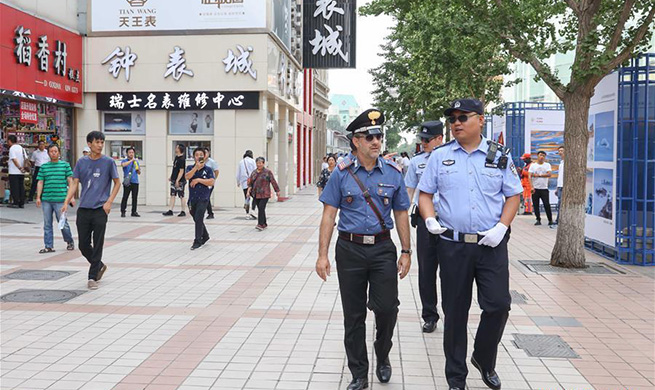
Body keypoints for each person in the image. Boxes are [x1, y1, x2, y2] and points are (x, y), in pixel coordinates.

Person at [417, 99, 522, 390]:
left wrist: (502, 226)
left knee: (499, 305)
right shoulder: (440, 156)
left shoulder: (499, 154)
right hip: (453, 245)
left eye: (463, 117)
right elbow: (425, 194)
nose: (456, 123)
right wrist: (429, 220)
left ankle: (484, 359)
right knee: (455, 313)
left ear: (481, 120)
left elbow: (513, 194)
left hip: (491, 244)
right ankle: (456, 378)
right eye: (452, 119)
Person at [316, 109, 411, 390]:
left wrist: (406, 251)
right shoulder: (341, 174)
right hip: (350, 249)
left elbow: (402, 214)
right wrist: (322, 255)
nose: (375, 141)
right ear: (355, 141)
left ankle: (383, 354)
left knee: (387, 309)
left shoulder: (393, 173)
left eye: (378, 135)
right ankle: (359, 372)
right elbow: (329, 215)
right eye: (369, 136)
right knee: (354, 314)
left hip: (383, 248)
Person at [62, 131, 120, 290]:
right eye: (97, 142)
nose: (100, 145)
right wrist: (67, 201)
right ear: (89, 144)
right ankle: (99, 265)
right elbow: (74, 183)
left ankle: (92, 277)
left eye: (102, 142)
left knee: (98, 242)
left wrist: (109, 202)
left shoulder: (108, 162)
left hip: (100, 209)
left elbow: (117, 183)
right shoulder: (81, 162)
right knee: (83, 245)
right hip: (84, 209)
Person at [404, 120, 444, 333]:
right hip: (424, 220)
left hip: (448, 221)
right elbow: (409, 192)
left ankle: (452, 310)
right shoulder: (416, 162)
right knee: (427, 270)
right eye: (421, 139)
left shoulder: (451, 158)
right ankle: (430, 315)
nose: (423, 143)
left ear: (440, 139)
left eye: (427, 139)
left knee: (451, 270)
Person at [35, 143, 75, 253]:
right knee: (47, 223)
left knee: (62, 223)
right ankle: (48, 245)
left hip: (61, 199)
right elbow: (40, 182)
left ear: (59, 153)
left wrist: (70, 197)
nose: (53, 153)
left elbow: (70, 181)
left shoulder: (65, 165)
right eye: (51, 151)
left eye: (55, 151)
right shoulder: (44, 167)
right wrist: (38, 197)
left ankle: (69, 241)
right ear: (48, 153)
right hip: (46, 199)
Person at [185, 147, 215, 250]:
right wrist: (195, 168)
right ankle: (205, 235)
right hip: (192, 198)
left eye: (201, 155)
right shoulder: (190, 167)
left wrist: (198, 180)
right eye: (197, 155)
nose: (199, 157)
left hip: (204, 197)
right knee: (196, 218)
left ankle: (197, 241)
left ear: (205, 156)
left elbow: (211, 182)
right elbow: (187, 177)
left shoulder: (208, 169)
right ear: (193, 157)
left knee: (199, 217)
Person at [247, 157, 280, 230]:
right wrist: (248, 190)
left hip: (265, 193)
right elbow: (250, 182)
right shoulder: (254, 172)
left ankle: (260, 224)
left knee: (261, 207)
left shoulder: (267, 172)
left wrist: (277, 191)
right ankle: (264, 223)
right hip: (255, 194)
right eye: (257, 163)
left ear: (263, 163)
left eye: (260, 163)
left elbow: (273, 181)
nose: (258, 164)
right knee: (260, 208)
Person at [529, 150, 554, 226]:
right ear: (537, 156)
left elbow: (549, 174)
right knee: (536, 205)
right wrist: (531, 187)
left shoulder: (547, 165)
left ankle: (550, 220)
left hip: (544, 188)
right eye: (540, 155)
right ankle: (538, 219)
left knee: (546, 204)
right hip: (535, 188)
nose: (542, 157)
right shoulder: (533, 165)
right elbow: (530, 176)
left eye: (543, 155)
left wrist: (539, 175)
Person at [163, 144, 187, 217]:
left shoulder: (182, 159)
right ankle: (170, 210)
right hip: (174, 179)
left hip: (180, 180)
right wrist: (171, 177)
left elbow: (181, 171)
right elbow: (175, 169)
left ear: (180, 149)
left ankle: (183, 211)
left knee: (181, 195)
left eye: (177, 147)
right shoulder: (176, 158)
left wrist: (177, 180)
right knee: (172, 195)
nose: (175, 149)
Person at [120, 147, 141, 218]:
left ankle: (134, 211)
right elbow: (123, 165)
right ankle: (123, 211)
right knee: (125, 197)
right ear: (127, 153)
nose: (131, 154)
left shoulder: (136, 162)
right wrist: (131, 161)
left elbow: (139, 172)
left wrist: (138, 170)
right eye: (130, 152)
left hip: (135, 181)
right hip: (127, 182)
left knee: (134, 197)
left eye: (132, 152)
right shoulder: (124, 161)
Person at [236, 150, 257, 220]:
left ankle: (247, 214)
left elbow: (238, 173)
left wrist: (238, 181)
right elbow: (255, 171)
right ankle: (253, 210)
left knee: (247, 198)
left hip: (244, 183)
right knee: (255, 197)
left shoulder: (241, 162)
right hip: (252, 182)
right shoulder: (253, 161)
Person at [7, 135, 27, 208]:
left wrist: (19, 167)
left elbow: (14, 159)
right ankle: (21, 202)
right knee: (21, 186)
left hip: (14, 171)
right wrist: (23, 168)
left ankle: (15, 202)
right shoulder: (21, 148)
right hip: (21, 172)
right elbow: (26, 159)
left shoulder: (12, 148)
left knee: (14, 187)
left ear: (9, 141)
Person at [203, 148, 219, 219]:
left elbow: (216, 171)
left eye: (206, 153)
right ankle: (209, 212)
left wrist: (214, 179)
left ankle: (210, 213)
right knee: (205, 197)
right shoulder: (200, 162)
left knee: (207, 197)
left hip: (209, 183)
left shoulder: (212, 162)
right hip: (202, 182)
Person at [553, 146, 564, 228]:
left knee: (560, 204)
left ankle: (558, 220)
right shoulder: (561, 163)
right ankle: (558, 220)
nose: (560, 152)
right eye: (559, 151)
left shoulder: (567, 162)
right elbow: (560, 176)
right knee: (559, 204)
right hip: (560, 186)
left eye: (562, 151)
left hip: (564, 186)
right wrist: (557, 187)